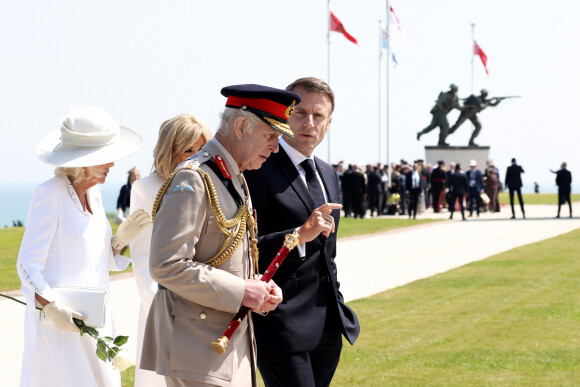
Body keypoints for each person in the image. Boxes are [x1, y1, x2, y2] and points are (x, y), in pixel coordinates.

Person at [141, 84, 299, 387]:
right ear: (241, 126)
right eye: (271, 135)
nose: (276, 147)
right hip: (196, 345)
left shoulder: (230, 176)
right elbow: (166, 264)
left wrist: (257, 288)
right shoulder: (194, 177)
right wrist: (242, 291)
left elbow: (228, 257)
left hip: (221, 342)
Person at [17, 106, 150, 386]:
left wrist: (121, 239)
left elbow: (100, 256)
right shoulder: (48, 194)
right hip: (60, 325)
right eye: (103, 159)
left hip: (95, 316)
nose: (111, 165)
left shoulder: (95, 193)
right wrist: (52, 306)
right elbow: (26, 265)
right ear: (81, 161)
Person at [244, 77, 360, 387]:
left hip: (327, 324)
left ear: (329, 123)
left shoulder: (327, 172)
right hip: (280, 321)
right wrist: (298, 234)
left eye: (318, 116)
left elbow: (328, 253)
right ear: (284, 115)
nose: (309, 123)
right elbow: (243, 247)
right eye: (300, 113)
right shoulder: (258, 167)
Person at [129, 114, 211, 386]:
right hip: (164, 304)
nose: (196, 156)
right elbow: (142, 256)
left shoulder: (209, 184)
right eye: (188, 150)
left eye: (201, 149)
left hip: (205, 297)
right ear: (170, 150)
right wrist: (159, 310)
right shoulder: (145, 188)